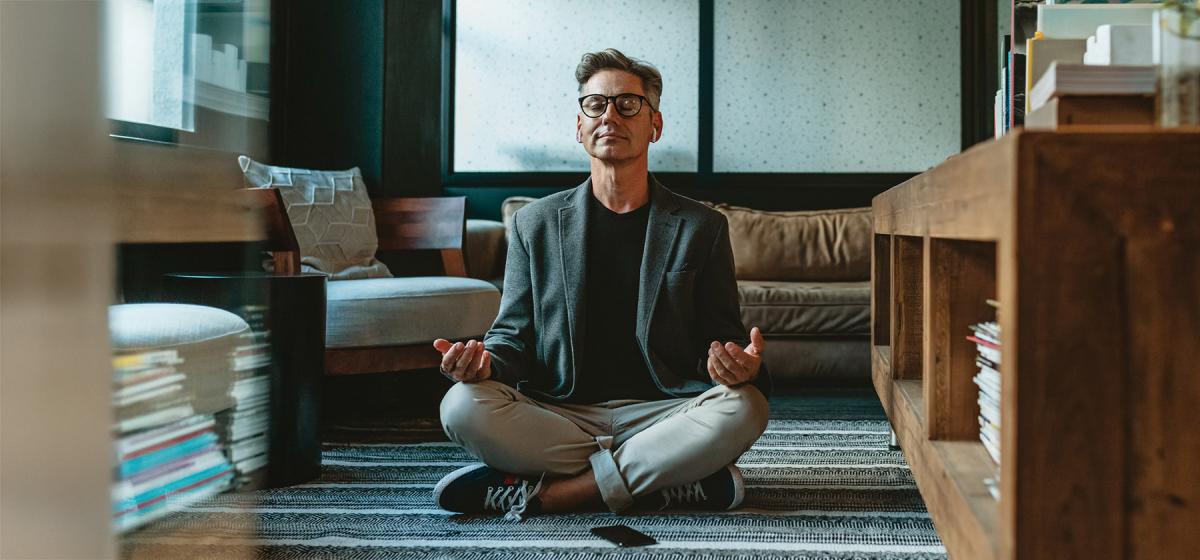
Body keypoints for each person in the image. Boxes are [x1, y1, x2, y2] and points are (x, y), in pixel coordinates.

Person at [431, 48, 771, 521]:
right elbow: (512, 336)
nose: (610, 115)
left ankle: (556, 494)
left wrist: (735, 366)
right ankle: (669, 478)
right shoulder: (534, 224)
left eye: (627, 104)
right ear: (579, 125)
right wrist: (484, 365)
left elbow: (718, 338)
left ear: (654, 125)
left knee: (746, 407)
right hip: (560, 415)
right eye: (596, 105)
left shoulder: (701, 226)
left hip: (662, 413)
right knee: (461, 405)